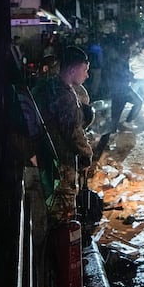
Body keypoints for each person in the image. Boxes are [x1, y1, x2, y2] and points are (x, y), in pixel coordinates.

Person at [32, 46, 93, 224]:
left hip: (44, 161)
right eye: (85, 70)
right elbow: (74, 134)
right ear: (73, 70)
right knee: (63, 218)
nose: (87, 75)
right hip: (61, 167)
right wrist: (87, 155)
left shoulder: (46, 87)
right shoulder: (65, 96)